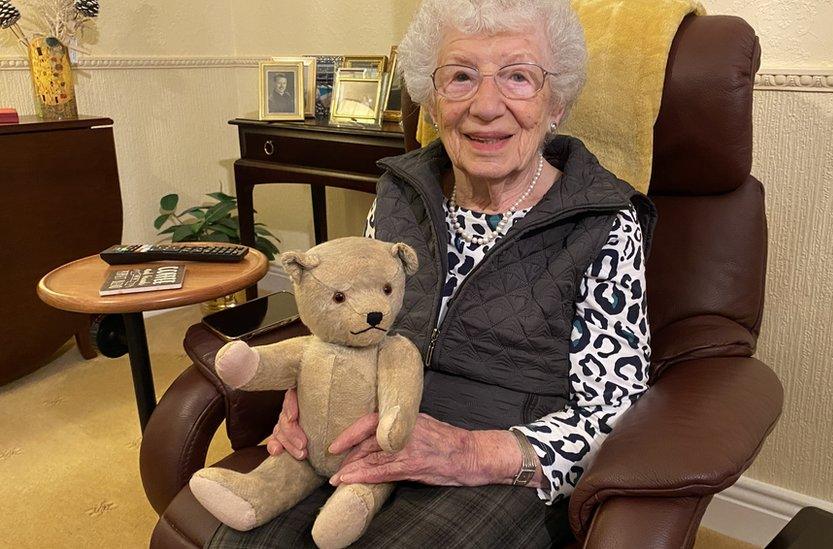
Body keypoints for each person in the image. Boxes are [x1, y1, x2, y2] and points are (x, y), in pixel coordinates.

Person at [209, 0, 655, 546]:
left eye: (518, 76)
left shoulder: (602, 221)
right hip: (369, 423)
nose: (486, 106)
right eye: (461, 76)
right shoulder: (403, 192)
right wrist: (310, 389)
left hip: (500, 458)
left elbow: (616, 410)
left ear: (555, 102)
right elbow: (352, 314)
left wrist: (470, 453)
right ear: (432, 96)